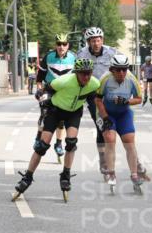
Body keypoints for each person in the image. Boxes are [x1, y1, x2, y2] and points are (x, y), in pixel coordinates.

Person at [13, 58, 100, 200]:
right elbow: (47, 88)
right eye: (83, 73)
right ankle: (27, 177)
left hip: (74, 113)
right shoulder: (64, 81)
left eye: (89, 73)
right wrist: (42, 95)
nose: (86, 77)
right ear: (76, 73)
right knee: (42, 146)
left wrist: (98, 120)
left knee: (71, 143)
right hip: (55, 110)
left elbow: (93, 103)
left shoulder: (94, 83)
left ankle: (65, 175)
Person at [96, 54, 146, 192]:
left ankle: (134, 175)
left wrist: (127, 101)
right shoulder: (105, 79)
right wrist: (105, 117)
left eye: (124, 69)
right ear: (112, 69)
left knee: (129, 142)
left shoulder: (131, 79)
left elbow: (139, 99)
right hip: (108, 114)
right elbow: (98, 100)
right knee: (110, 139)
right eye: (118, 70)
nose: (121, 72)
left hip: (124, 114)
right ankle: (111, 172)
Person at [76, 26, 118, 176]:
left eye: (98, 40)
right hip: (93, 94)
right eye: (93, 41)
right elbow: (76, 75)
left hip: (110, 92)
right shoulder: (81, 54)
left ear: (102, 40)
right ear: (88, 42)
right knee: (101, 126)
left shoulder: (112, 52)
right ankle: (103, 160)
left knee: (114, 127)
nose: (96, 43)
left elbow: (122, 68)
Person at [35, 33, 76, 160]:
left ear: (68, 45)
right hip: (49, 89)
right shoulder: (48, 57)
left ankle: (58, 143)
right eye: (59, 44)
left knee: (61, 119)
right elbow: (39, 78)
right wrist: (39, 90)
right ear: (55, 45)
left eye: (64, 44)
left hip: (65, 91)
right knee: (45, 114)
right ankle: (38, 137)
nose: (61, 47)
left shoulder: (74, 58)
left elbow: (77, 77)